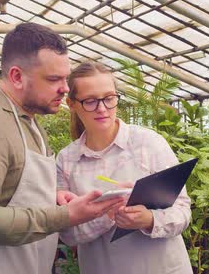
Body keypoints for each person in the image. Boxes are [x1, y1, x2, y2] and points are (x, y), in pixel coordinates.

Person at [0, 23, 123, 274]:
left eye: (65, 78)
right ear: (16, 76)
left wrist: (52, 198)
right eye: (53, 79)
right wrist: (65, 216)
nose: (65, 88)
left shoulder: (28, 121)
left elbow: (14, 193)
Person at [56, 61, 193, 273]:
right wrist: (105, 215)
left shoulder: (148, 143)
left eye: (109, 98)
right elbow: (67, 234)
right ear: (71, 104)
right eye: (90, 101)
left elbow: (183, 212)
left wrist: (148, 219)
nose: (102, 108)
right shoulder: (66, 161)